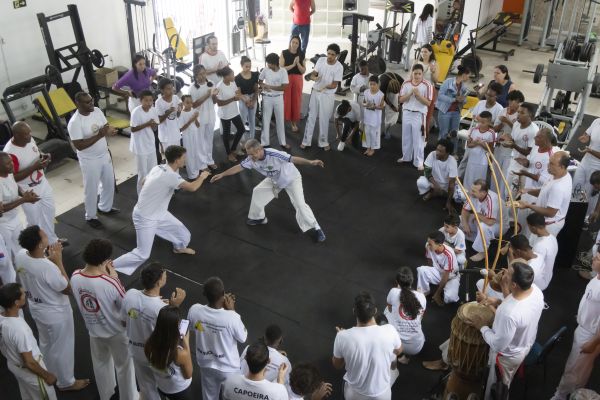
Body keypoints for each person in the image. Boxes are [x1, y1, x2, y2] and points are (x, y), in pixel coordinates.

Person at [113, 146, 210, 275]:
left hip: (159, 212)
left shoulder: (158, 167)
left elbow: (143, 182)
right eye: (183, 158)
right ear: (177, 161)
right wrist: (202, 176)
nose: (185, 160)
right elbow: (192, 187)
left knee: (183, 233)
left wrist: (156, 192)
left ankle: (179, 248)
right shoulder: (171, 176)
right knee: (143, 254)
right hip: (145, 217)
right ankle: (109, 266)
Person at [15, 226, 89, 392]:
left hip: (36, 309)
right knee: (64, 347)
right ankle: (66, 382)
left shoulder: (21, 255)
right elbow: (68, 289)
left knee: (46, 342)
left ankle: (49, 370)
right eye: (44, 236)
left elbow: (37, 266)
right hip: (56, 314)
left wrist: (49, 259)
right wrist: (58, 261)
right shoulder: (48, 268)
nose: (48, 236)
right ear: (40, 245)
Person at [211, 139, 326, 242]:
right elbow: (239, 167)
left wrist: (311, 162)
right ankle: (258, 218)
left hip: (291, 179)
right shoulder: (251, 159)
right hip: (275, 180)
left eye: (253, 154)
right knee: (257, 191)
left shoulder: (274, 154)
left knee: (300, 205)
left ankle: (317, 228)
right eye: (249, 154)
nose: (251, 157)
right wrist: (222, 174)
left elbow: (293, 159)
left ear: (260, 149)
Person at [70, 239, 138, 400]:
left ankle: (106, 394)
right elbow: (126, 305)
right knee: (124, 367)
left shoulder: (75, 276)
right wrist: (114, 278)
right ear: (106, 261)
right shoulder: (110, 282)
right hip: (116, 332)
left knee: (100, 364)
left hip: (93, 330)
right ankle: (130, 397)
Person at [470, 262, 544, 399]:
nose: (503, 273)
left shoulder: (508, 313)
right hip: (525, 344)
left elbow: (498, 345)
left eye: (508, 274)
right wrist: (498, 302)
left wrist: (482, 327)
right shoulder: (535, 290)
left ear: (514, 285)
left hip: (507, 357)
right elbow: (518, 305)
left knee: (497, 390)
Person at [122, 263, 186, 400]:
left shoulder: (130, 294)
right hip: (157, 356)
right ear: (158, 282)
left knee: (146, 387)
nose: (166, 276)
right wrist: (174, 308)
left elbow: (123, 321)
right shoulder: (162, 309)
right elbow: (176, 335)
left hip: (136, 351)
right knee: (167, 386)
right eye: (164, 275)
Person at [332, 291, 402, 400]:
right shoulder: (390, 330)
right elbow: (399, 351)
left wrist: (344, 340)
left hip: (355, 395)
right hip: (382, 395)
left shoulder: (342, 337)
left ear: (354, 311)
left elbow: (337, 365)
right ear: (375, 311)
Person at [187, 277, 248, 400]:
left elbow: (191, 327)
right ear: (223, 294)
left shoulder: (194, 310)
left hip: (205, 363)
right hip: (229, 367)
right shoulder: (232, 318)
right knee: (231, 397)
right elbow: (243, 337)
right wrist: (231, 311)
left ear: (204, 294)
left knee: (209, 396)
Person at [4, 122, 64, 246]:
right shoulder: (10, 152)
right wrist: (34, 167)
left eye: (30, 132)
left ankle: (52, 241)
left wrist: (44, 156)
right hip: (27, 188)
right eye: (26, 134)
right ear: (16, 135)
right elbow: (12, 177)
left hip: (42, 183)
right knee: (34, 220)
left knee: (49, 212)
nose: (30, 136)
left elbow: (37, 152)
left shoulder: (29, 141)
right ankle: (36, 246)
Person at [551, 252, 600, 400]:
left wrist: (593, 343)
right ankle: (572, 393)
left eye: (598, 259)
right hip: (584, 327)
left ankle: (560, 395)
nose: (593, 259)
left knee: (574, 369)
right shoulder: (597, 277)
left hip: (590, 334)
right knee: (579, 368)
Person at [67, 91, 119, 229]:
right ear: (78, 104)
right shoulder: (75, 122)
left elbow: (105, 126)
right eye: (87, 102)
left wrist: (109, 131)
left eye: (91, 100)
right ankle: (90, 216)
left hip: (103, 154)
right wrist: (99, 135)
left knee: (109, 183)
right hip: (89, 160)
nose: (91, 103)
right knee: (91, 188)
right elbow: (79, 146)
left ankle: (105, 207)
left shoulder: (96, 111)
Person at [0, 283, 58, 400]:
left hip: (13, 365)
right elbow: (29, 362)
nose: (25, 295)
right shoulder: (19, 329)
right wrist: (47, 376)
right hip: (31, 372)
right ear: (16, 302)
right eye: (23, 294)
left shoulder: (3, 317)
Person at [517, 151, 573, 236]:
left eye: (551, 163)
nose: (548, 165)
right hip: (542, 221)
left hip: (548, 225)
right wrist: (528, 191)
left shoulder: (559, 187)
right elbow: (545, 192)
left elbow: (551, 213)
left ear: (562, 167)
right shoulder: (558, 174)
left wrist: (528, 205)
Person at [145, 306, 193, 400]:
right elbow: (188, 375)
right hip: (180, 391)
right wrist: (186, 346)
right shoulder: (179, 353)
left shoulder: (148, 344)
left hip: (162, 387)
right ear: (175, 328)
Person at [301, 43, 343, 150]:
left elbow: (334, 84)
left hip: (327, 95)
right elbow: (314, 73)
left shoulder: (339, 67)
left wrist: (324, 87)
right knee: (311, 116)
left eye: (332, 54)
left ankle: (323, 142)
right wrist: (313, 78)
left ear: (337, 55)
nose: (329, 56)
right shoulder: (320, 60)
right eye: (328, 53)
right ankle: (306, 141)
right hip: (315, 92)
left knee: (324, 118)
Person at [0, 151, 39, 262]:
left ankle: (24, 267)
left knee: (21, 247)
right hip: (3, 224)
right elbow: (1, 210)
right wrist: (23, 200)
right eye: (8, 164)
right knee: (9, 254)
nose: (12, 164)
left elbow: (15, 186)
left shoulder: (9, 174)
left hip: (14, 218)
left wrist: (25, 194)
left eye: (11, 161)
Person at [384, 267, 426, 364]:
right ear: (412, 281)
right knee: (418, 318)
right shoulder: (421, 297)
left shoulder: (393, 292)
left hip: (394, 345)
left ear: (397, 282)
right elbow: (421, 317)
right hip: (416, 347)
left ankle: (399, 356)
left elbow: (389, 308)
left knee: (386, 310)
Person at [222, 341, 289, 400]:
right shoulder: (278, 391)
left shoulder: (229, 382)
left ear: (245, 358)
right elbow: (281, 395)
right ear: (269, 361)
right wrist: (281, 379)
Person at [398, 64, 433, 170]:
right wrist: (409, 94)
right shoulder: (406, 83)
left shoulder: (427, 85)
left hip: (419, 114)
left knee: (418, 138)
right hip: (407, 112)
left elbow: (428, 103)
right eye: (415, 73)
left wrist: (418, 96)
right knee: (406, 137)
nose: (417, 76)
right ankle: (406, 157)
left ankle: (419, 162)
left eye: (419, 74)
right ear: (412, 73)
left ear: (423, 74)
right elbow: (400, 100)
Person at [492, 90, 525, 200]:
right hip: (499, 144)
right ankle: (492, 196)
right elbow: (495, 128)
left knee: (505, 175)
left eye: (513, 101)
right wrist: (501, 123)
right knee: (495, 172)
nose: (510, 103)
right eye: (509, 101)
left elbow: (517, 131)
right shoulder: (503, 110)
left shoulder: (520, 115)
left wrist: (507, 121)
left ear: (518, 102)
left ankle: (501, 199)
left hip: (510, 149)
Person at [461, 179, 500, 262]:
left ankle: (483, 252)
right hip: (480, 219)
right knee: (461, 220)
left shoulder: (492, 199)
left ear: (483, 193)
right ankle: (478, 239)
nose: (471, 192)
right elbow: (465, 210)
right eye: (472, 190)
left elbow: (490, 222)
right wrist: (465, 225)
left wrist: (477, 214)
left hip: (497, 225)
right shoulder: (473, 195)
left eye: (474, 191)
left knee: (483, 227)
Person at [502, 104, 538, 193]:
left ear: (531, 116)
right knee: (508, 190)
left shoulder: (533, 131)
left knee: (518, 192)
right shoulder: (516, 124)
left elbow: (529, 152)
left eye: (522, 113)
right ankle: (508, 206)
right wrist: (507, 139)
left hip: (526, 166)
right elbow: (513, 140)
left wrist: (513, 146)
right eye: (518, 112)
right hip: (514, 160)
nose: (518, 114)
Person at [417, 230, 460, 305]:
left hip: (451, 277)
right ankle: (424, 292)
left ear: (440, 245)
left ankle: (443, 291)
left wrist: (437, 294)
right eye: (428, 243)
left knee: (450, 298)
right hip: (439, 272)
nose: (428, 245)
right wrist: (430, 274)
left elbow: (446, 276)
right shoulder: (428, 246)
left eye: (430, 244)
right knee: (421, 270)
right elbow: (429, 259)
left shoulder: (449, 254)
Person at [214, 66, 246, 163]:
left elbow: (237, 93)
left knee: (241, 129)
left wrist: (244, 99)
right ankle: (229, 154)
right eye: (232, 75)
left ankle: (233, 149)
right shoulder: (219, 86)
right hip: (225, 114)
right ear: (226, 76)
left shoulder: (233, 83)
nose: (234, 76)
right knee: (226, 134)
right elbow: (219, 103)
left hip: (234, 111)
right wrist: (233, 99)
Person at [189, 64, 218, 170]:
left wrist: (214, 95)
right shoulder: (193, 88)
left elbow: (214, 102)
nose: (203, 76)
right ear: (196, 76)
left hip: (210, 115)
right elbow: (194, 105)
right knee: (200, 141)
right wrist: (207, 95)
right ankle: (202, 164)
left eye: (204, 73)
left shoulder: (211, 83)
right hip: (199, 117)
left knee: (209, 139)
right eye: (200, 74)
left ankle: (209, 160)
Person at [130, 90, 160, 194]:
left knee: (153, 171)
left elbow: (156, 127)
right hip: (140, 146)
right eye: (146, 100)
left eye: (151, 100)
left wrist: (153, 125)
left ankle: (151, 192)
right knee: (142, 173)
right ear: (140, 101)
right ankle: (141, 196)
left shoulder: (153, 110)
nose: (149, 103)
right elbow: (133, 129)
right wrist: (147, 124)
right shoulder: (136, 112)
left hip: (150, 143)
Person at [260, 53, 290, 149]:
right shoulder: (265, 70)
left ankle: (283, 142)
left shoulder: (283, 71)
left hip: (278, 98)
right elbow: (260, 81)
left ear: (274, 63)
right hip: (267, 97)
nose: (268, 65)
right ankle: (264, 142)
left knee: (280, 120)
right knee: (266, 119)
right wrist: (263, 86)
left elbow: (284, 88)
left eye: (269, 63)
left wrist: (269, 86)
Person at [416, 138, 457, 208]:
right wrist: (436, 185)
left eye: (440, 151)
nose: (437, 152)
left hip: (446, 185)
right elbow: (427, 172)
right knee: (420, 182)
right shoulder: (432, 154)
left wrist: (448, 202)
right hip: (433, 182)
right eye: (437, 149)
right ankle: (433, 192)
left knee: (460, 197)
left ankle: (437, 193)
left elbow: (451, 184)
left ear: (448, 153)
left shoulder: (452, 161)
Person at [435, 65, 470, 140]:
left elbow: (465, 100)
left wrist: (463, 99)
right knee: (443, 133)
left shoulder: (464, 86)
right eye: (468, 76)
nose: (468, 78)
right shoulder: (448, 82)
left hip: (456, 112)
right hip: (445, 111)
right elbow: (440, 95)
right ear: (463, 75)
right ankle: (440, 150)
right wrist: (454, 99)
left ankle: (453, 151)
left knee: (455, 134)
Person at [574, 117, 600, 214]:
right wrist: (585, 137)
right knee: (577, 186)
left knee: (588, 193)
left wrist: (590, 151)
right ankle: (575, 212)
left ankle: (586, 217)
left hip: (597, 167)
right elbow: (587, 134)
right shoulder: (597, 121)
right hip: (585, 161)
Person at [463, 111, 495, 190]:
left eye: (483, 122)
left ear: (489, 122)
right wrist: (476, 143)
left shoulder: (491, 133)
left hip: (482, 162)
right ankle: (465, 197)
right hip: (472, 159)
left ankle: (477, 197)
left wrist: (481, 144)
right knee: (468, 178)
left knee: (479, 181)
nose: (480, 124)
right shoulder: (474, 130)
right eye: (479, 122)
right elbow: (469, 145)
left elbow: (491, 149)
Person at [281, 35, 306, 132]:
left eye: (297, 43)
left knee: (296, 100)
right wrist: (293, 65)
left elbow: (303, 71)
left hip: (298, 78)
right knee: (286, 100)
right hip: (286, 78)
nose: (294, 44)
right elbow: (281, 68)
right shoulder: (284, 53)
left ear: (299, 45)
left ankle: (293, 122)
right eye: (293, 42)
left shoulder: (301, 54)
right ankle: (284, 119)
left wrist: (298, 63)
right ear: (290, 42)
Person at [178, 95, 204, 178]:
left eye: (191, 102)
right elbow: (181, 129)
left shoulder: (194, 111)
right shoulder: (182, 114)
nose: (189, 104)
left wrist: (195, 118)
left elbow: (198, 125)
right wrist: (190, 121)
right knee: (189, 155)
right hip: (187, 136)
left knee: (196, 152)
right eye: (187, 102)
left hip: (195, 134)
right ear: (183, 103)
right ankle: (192, 174)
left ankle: (197, 170)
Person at [155, 78, 182, 156]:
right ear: (162, 90)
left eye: (172, 87)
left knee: (178, 156)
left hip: (175, 133)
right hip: (166, 135)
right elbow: (159, 121)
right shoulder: (158, 102)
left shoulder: (176, 98)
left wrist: (180, 110)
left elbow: (178, 115)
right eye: (168, 89)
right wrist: (168, 112)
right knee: (170, 158)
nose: (171, 90)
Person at [235, 56, 259, 140]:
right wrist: (246, 101)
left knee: (252, 119)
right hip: (243, 98)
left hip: (253, 97)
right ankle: (242, 140)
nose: (248, 68)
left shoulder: (255, 74)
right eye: (246, 66)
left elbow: (256, 89)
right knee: (243, 119)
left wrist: (253, 101)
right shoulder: (237, 78)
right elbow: (239, 93)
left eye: (250, 66)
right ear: (241, 66)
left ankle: (252, 138)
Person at [417, 44, 438, 134]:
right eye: (421, 51)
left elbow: (436, 80)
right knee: (417, 114)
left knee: (427, 115)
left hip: (429, 90)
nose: (423, 53)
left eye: (425, 51)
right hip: (418, 89)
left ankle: (424, 136)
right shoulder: (417, 63)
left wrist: (433, 72)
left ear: (430, 52)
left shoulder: (435, 64)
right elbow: (410, 77)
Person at [362, 75, 385, 156]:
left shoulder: (381, 94)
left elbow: (382, 107)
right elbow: (363, 102)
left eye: (374, 84)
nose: (372, 86)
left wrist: (375, 106)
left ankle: (372, 149)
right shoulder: (366, 92)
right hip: (367, 116)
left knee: (373, 133)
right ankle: (368, 148)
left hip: (375, 118)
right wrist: (366, 104)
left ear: (378, 84)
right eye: (370, 84)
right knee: (367, 132)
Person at [381, 73, 403, 140]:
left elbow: (402, 94)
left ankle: (398, 117)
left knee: (396, 107)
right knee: (389, 111)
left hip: (394, 82)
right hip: (383, 84)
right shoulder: (382, 86)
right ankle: (385, 131)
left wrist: (400, 104)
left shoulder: (402, 82)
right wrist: (392, 106)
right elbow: (384, 98)